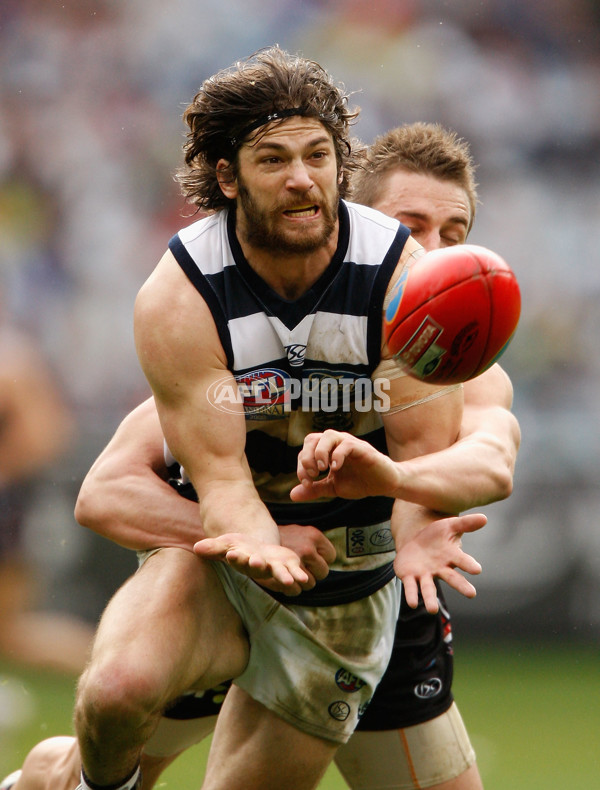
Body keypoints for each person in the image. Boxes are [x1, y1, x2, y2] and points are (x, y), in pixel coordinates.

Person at [1, 117, 519, 790]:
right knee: (107, 732)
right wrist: (258, 536)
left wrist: (399, 485)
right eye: (412, 227)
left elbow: (491, 458)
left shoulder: (460, 365)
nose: (432, 254)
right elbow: (104, 490)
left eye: (454, 236)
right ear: (355, 220)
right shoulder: (244, 351)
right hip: (229, 595)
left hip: (374, 604)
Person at [0, 299, 93, 677]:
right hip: (17, 502)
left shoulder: (12, 360)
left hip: (14, 505)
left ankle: (122, 665)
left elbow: (46, 437)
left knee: (10, 629)